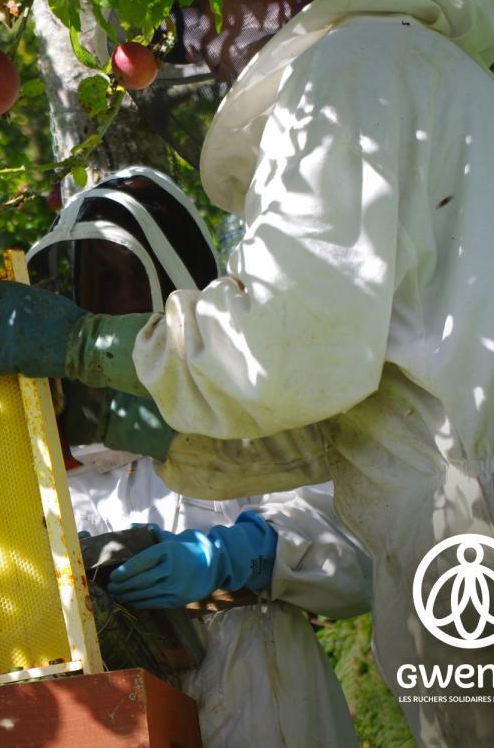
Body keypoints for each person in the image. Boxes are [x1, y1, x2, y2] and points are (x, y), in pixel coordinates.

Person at [0, 0, 494, 744]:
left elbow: (285, 346)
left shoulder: (347, 71)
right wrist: (147, 426)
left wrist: (88, 346)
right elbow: (341, 392)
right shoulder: (408, 68)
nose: (191, 28)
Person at [33, 169, 372, 746]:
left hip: (261, 691)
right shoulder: (55, 440)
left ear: (172, 281)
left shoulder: (244, 392)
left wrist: (240, 555)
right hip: (120, 713)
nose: (116, 298)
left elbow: (359, 550)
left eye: (129, 279)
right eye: (101, 279)